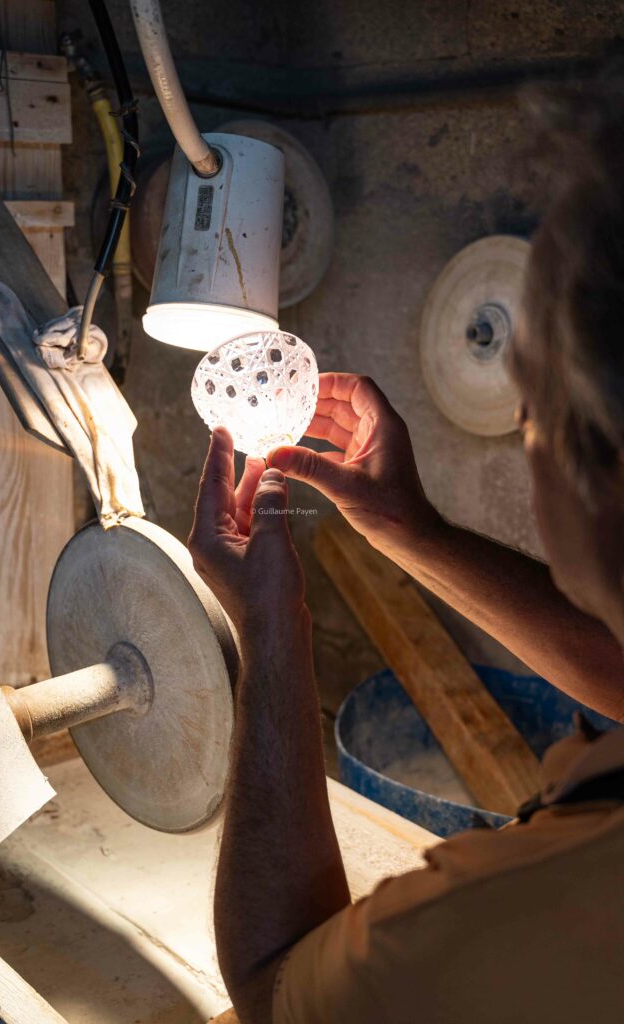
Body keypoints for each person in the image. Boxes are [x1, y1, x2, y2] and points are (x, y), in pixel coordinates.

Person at [188, 84, 624, 1024]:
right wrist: (407, 531)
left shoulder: (533, 912)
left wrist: (271, 628)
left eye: (530, 408)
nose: (524, 434)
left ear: (607, 476)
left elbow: (273, 983)